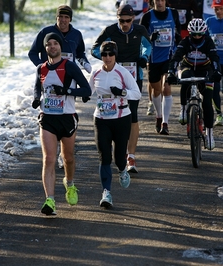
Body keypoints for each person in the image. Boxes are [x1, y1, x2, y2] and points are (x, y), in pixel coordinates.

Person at [32, 33, 92, 216]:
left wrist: (65, 90)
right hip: (48, 117)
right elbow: (37, 87)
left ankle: (70, 183)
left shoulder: (70, 66)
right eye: (48, 44)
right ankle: (50, 200)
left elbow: (86, 89)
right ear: (45, 48)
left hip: (67, 116)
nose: (52, 47)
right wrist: (36, 99)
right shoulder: (41, 68)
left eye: (55, 43)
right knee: (49, 158)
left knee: (68, 158)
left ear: (60, 47)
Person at [28, 5, 92, 169]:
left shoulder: (76, 34)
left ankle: (66, 153)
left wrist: (84, 63)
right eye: (60, 17)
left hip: (70, 77)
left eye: (66, 17)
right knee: (52, 111)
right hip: (50, 78)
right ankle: (54, 154)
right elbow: (32, 53)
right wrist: (42, 69)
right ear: (56, 18)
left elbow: (80, 52)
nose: (63, 20)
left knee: (66, 109)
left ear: (70, 19)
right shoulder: (45, 32)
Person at [91, 4, 152, 174]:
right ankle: (115, 149)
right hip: (114, 74)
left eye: (128, 20)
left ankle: (130, 156)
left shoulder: (139, 30)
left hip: (133, 75)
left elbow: (148, 46)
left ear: (133, 19)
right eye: (121, 20)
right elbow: (95, 49)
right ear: (117, 18)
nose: (125, 24)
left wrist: (144, 57)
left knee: (132, 114)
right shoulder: (109, 31)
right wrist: (109, 58)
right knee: (116, 109)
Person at [89, 41, 142, 208]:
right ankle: (106, 193)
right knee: (104, 156)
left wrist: (122, 92)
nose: (107, 57)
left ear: (115, 55)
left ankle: (122, 169)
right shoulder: (96, 72)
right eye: (104, 54)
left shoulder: (122, 72)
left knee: (119, 157)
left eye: (110, 54)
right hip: (101, 119)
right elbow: (87, 90)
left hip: (121, 118)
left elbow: (137, 93)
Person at [167, 18, 222, 150]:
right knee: (185, 77)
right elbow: (176, 57)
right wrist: (170, 72)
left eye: (200, 34)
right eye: (194, 34)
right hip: (189, 67)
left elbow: (215, 59)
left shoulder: (208, 42)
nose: (197, 37)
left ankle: (209, 134)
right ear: (190, 33)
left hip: (205, 70)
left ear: (204, 33)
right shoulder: (185, 42)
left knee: (207, 102)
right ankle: (184, 109)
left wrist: (217, 72)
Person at [140, 0, 182, 135]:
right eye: (157, 0)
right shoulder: (147, 16)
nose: (159, 3)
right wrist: (150, 37)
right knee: (156, 90)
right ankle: (159, 116)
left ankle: (165, 122)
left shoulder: (173, 13)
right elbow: (141, 38)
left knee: (166, 88)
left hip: (169, 57)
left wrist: (178, 39)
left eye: (162, 0)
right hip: (153, 59)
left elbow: (178, 32)